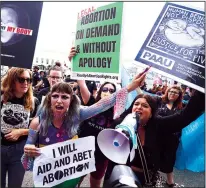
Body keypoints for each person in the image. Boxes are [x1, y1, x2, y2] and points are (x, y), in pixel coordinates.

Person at [21, 71, 147, 188]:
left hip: (70, 180)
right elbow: (26, 164)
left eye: (64, 97)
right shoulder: (37, 123)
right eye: (55, 96)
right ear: (49, 99)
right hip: (46, 181)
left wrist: (130, 87)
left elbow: (104, 103)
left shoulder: (77, 115)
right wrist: (28, 152)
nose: (59, 101)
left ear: (71, 100)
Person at [104, 88, 204, 187]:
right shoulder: (120, 125)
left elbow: (183, 117)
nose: (139, 107)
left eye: (145, 106)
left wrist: (201, 90)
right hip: (122, 176)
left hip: (147, 178)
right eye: (136, 104)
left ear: (151, 113)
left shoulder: (158, 125)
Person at [1, 67, 40, 188]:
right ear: (12, 80)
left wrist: (21, 132)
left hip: (20, 151)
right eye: (21, 80)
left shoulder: (33, 101)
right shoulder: (2, 98)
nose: (26, 83)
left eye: (29, 80)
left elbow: (40, 128)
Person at [156, 86, 183, 186]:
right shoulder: (159, 102)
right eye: (171, 91)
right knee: (155, 157)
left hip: (172, 139)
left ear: (179, 96)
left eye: (176, 93)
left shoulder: (180, 107)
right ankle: (154, 177)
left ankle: (170, 181)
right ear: (167, 92)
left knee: (169, 159)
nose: (172, 93)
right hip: (158, 136)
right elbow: (143, 96)